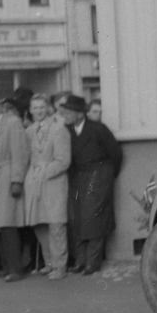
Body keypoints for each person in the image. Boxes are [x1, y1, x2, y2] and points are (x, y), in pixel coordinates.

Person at [59, 93, 123, 274]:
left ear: (80, 114)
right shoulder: (67, 130)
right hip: (78, 176)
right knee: (77, 218)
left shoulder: (98, 129)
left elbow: (116, 154)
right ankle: (80, 261)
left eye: (69, 112)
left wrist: (107, 177)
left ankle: (92, 263)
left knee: (94, 218)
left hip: (99, 175)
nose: (66, 115)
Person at [24, 94, 71, 279]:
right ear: (30, 110)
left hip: (53, 181)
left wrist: (44, 172)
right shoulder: (29, 131)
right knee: (39, 223)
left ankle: (60, 266)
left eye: (42, 107)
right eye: (35, 108)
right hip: (33, 181)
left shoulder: (59, 129)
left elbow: (63, 161)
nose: (39, 111)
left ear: (49, 108)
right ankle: (49, 262)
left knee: (56, 224)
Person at [0, 97, 31, 282]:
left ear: (1, 107)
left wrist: (17, 180)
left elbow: (20, 152)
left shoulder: (13, 122)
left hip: (6, 175)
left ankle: (16, 268)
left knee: (8, 223)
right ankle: (6, 266)